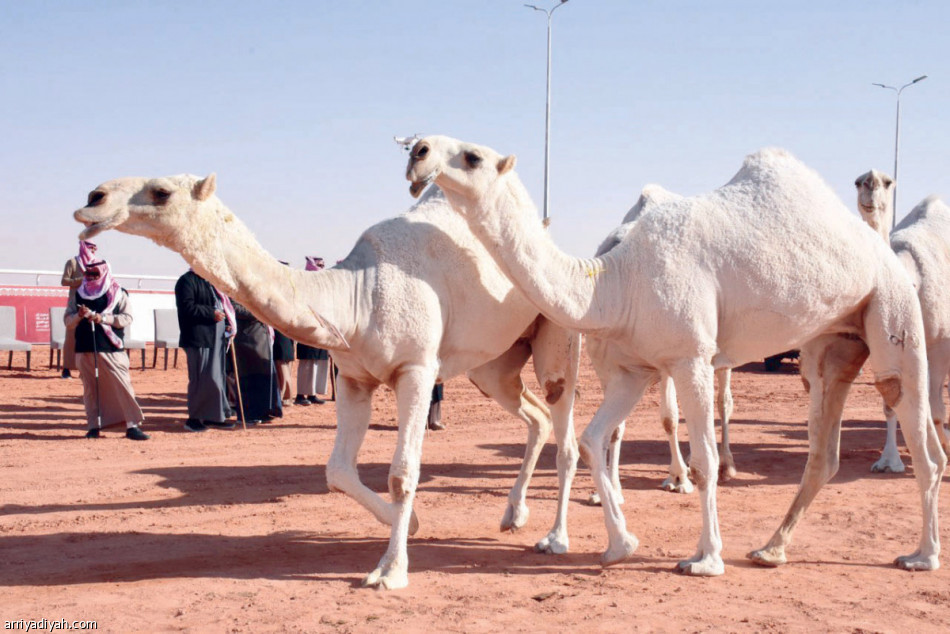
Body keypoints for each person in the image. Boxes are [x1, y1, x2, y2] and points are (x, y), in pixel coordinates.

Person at [65, 258, 148, 440]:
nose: (91, 277)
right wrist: (79, 316)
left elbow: (127, 318)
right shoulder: (78, 294)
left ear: (104, 273)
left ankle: (132, 426)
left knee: (122, 386)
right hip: (85, 348)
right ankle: (93, 426)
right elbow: (68, 322)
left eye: (95, 274)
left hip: (111, 348)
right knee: (90, 389)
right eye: (88, 274)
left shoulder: (118, 293)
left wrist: (103, 318)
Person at [175, 269, 235, 432]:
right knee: (200, 379)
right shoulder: (186, 281)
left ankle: (214, 416)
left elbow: (221, 306)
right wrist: (212, 313)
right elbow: (187, 307)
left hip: (216, 337)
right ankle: (194, 419)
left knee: (215, 378)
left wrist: (225, 322)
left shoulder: (211, 282)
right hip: (198, 338)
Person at [229, 300, 283, 423]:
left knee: (263, 378)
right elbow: (234, 309)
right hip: (247, 340)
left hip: (262, 338)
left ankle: (264, 411)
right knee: (249, 379)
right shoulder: (235, 292)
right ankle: (248, 415)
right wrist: (258, 313)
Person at [60, 240, 98, 378]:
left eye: (95, 248)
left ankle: (85, 369)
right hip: (74, 304)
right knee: (71, 336)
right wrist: (80, 280)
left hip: (90, 303)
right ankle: (66, 368)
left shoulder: (95, 265)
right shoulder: (72, 262)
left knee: (87, 336)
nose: (93, 250)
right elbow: (64, 281)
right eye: (91, 248)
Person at [295, 256, 330, 406]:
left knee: (318, 361)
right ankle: (301, 395)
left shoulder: (323, 287)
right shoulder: (303, 285)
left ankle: (312, 393)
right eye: (319, 265)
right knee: (307, 362)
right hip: (307, 328)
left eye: (323, 265)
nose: (321, 268)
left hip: (321, 329)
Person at [273, 327, 295, 407]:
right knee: (284, 373)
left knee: (283, 373)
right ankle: (286, 398)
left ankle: (285, 398)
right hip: (284, 342)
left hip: (281, 343)